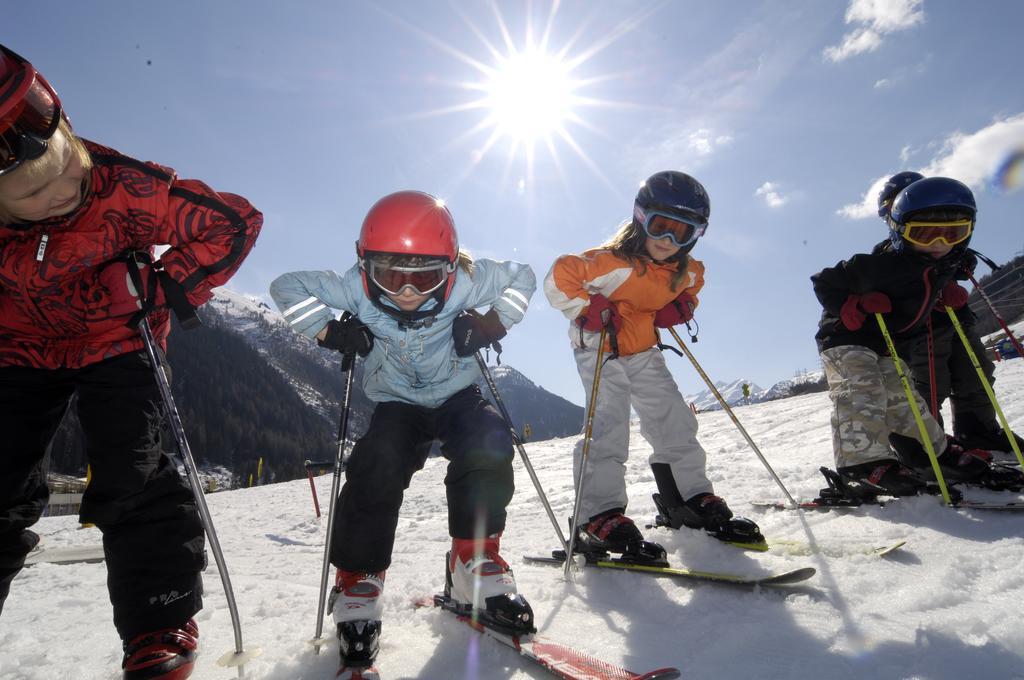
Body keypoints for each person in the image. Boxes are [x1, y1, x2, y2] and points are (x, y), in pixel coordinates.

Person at [0, 44, 263, 680]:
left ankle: (159, 620)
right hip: (18, 347)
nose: (67, 189)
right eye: (38, 193)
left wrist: (167, 281)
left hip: (118, 338)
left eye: (69, 165)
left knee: (132, 466)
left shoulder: (125, 186)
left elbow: (233, 221)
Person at [269, 190, 535, 677]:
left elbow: (522, 278)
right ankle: (359, 581)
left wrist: (491, 323)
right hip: (398, 403)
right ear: (364, 262)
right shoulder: (353, 289)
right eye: (391, 276)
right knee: (377, 463)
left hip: (457, 393)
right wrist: (329, 332)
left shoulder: (469, 283)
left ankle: (472, 562)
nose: (408, 291)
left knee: (488, 442)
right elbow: (285, 286)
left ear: (451, 266)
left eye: (426, 277)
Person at [544, 170, 763, 556]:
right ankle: (596, 516)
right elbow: (560, 275)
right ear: (640, 217)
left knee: (674, 419)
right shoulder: (612, 262)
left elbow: (694, 284)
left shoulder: (686, 270)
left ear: (697, 235)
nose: (669, 241)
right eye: (661, 227)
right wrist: (588, 306)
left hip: (644, 348)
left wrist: (682, 306)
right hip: (599, 343)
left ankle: (688, 499)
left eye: (684, 232)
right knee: (609, 424)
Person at [811, 176, 1006, 495]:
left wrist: (947, 290)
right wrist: (851, 302)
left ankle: (937, 451)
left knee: (906, 400)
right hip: (846, 338)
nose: (939, 243)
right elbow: (825, 280)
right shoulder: (880, 264)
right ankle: (859, 464)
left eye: (954, 233)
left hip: (888, 345)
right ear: (900, 230)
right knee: (862, 390)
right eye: (924, 234)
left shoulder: (939, 265)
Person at [876, 172, 1024, 458]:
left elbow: (950, 258)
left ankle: (977, 430)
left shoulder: (941, 244)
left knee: (976, 371)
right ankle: (922, 445)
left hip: (955, 317)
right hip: (921, 327)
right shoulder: (890, 252)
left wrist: (959, 264)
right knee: (929, 382)